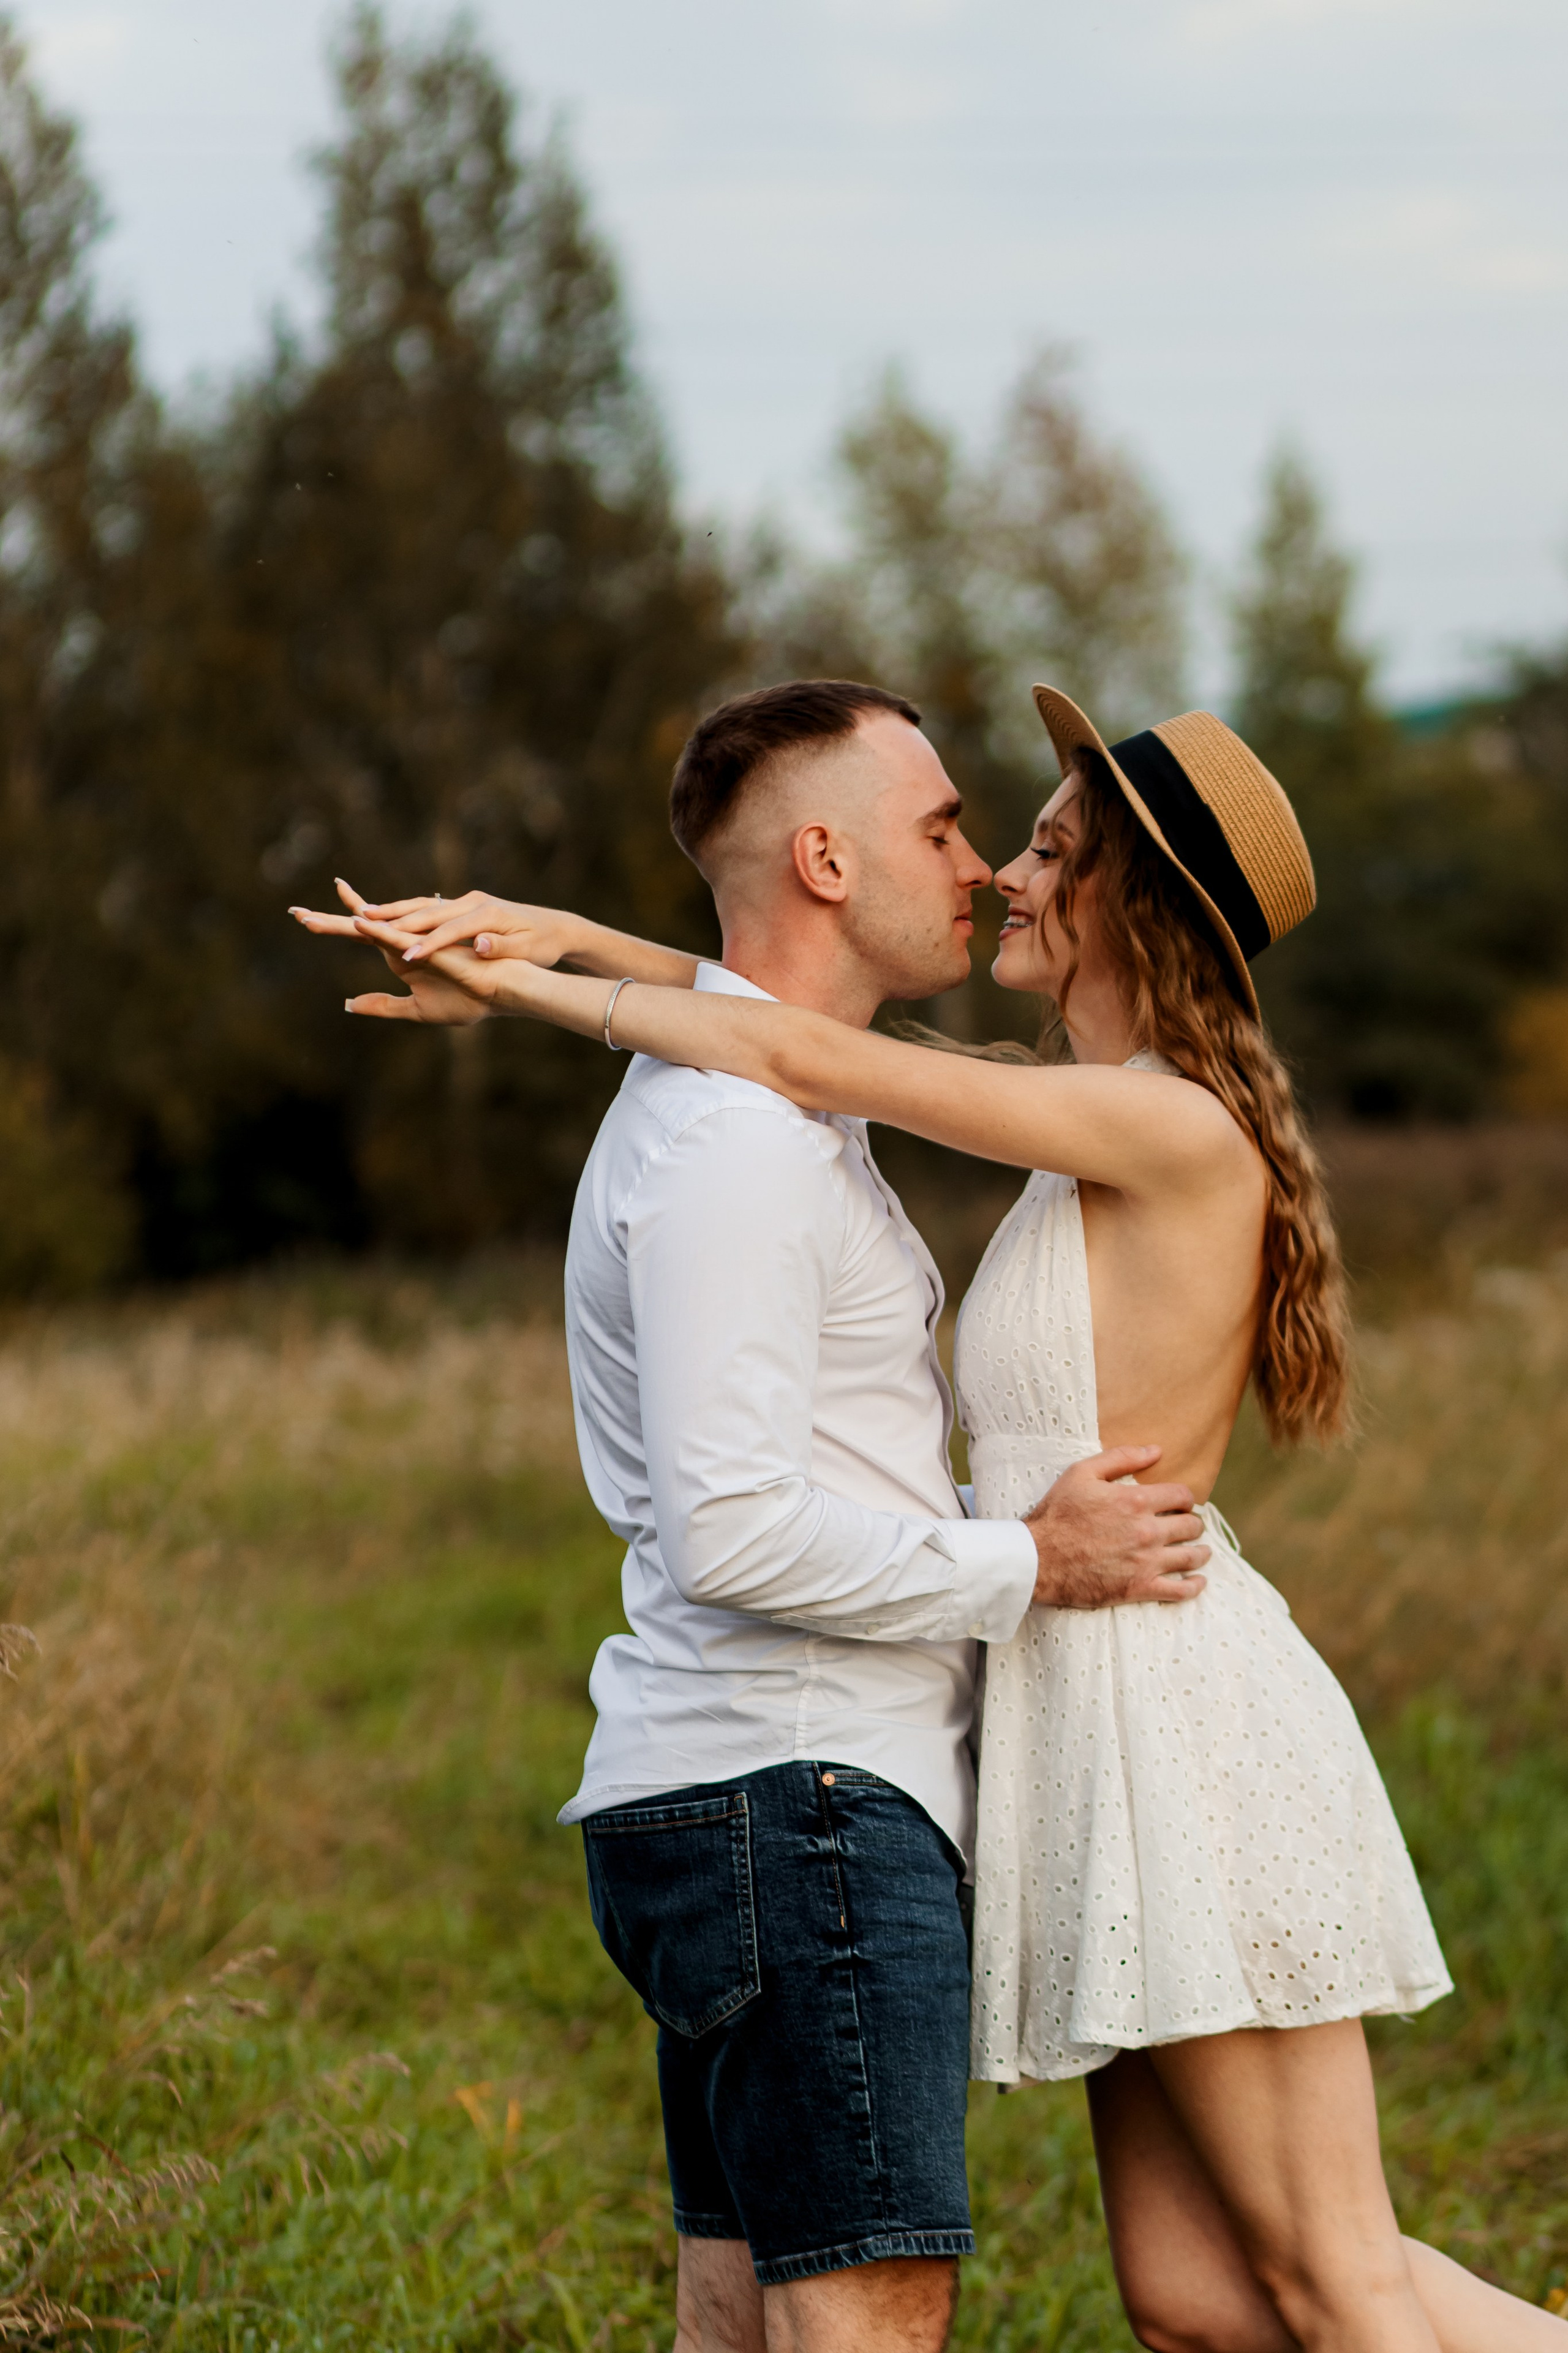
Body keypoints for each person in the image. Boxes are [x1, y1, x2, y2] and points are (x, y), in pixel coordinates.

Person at [298, 677, 1568, 2353]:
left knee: (1336, 2278)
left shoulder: (1161, 1121)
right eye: (994, 840)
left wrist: (535, 989)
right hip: (1089, 1718)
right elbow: (763, 1004)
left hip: (1180, 1716)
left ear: (1134, 900)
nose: (1003, 878)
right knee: (1190, 2297)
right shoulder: (1087, 1117)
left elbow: (792, 1043)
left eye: (1043, 849)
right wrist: (545, 933)